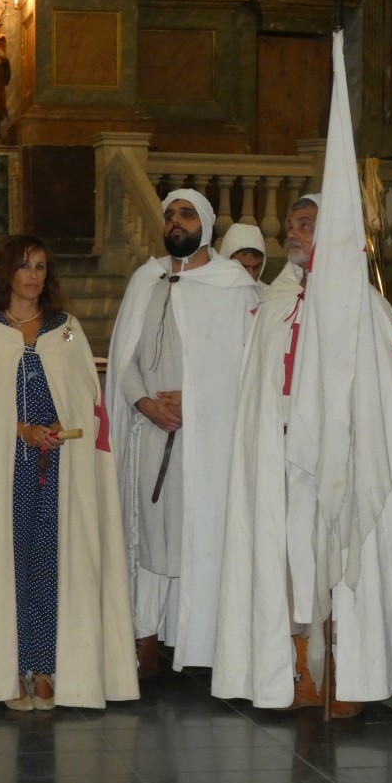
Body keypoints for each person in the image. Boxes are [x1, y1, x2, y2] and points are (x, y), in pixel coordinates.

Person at [0, 235, 139, 710]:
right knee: (8, 568)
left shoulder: (68, 330)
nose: (33, 275)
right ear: (7, 273)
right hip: (2, 474)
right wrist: (21, 429)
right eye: (24, 266)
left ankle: (47, 672)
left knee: (50, 568)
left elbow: (85, 397)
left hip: (61, 472)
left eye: (40, 266)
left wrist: (61, 424)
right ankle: (10, 671)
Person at [213, 194, 372, 715]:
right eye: (291, 227)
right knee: (289, 562)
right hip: (282, 456)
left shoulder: (362, 302)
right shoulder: (279, 299)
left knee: (337, 558)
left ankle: (344, 673)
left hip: (337, 457)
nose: (293, 235)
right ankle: (301, 669)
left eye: (305, 225)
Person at [106, 189, 261, 676]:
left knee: (202, 533)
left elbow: (247, 361)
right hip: (150, 430)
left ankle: (206, 644)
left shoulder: (232, 284)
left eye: (186, 214)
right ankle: (145, 640)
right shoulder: (145, 280)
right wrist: (145, 403)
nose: (176, 222)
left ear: (206, 225)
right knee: (149, 535)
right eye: (171, 214)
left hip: (208, 439)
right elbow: (123, 357)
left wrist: (196, 401)